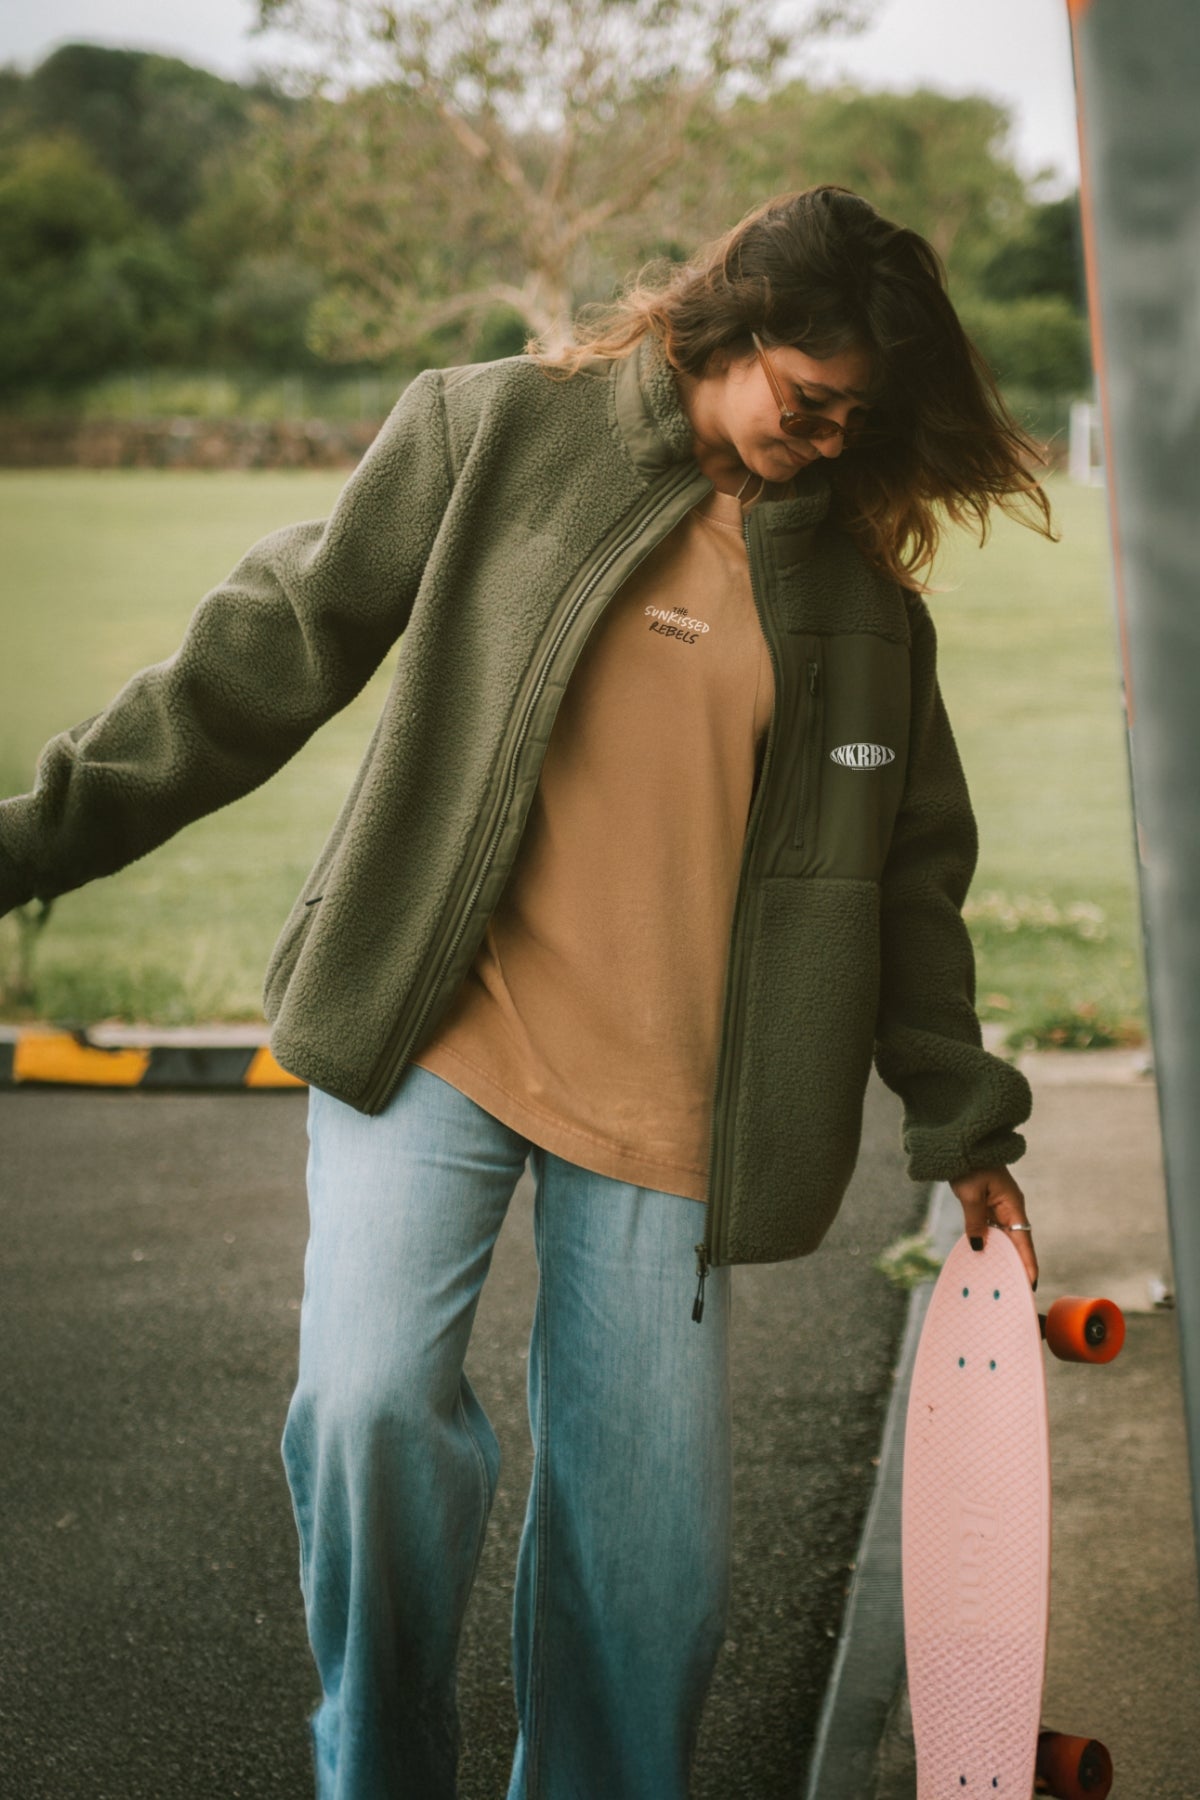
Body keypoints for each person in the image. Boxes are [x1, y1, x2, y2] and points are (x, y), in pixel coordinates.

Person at [0, 186, 1048, 1798]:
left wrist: (965, 1119)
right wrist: (32, 838)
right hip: (443, 1033)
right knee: (363, 1412)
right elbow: (254, 659)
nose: (832, 442)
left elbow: (908, 878)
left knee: (654, 1576)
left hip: (675, 1101)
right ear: (725, 329)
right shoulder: (487, 434)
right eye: (809, 402)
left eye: (859, 420)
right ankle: (381, 1767)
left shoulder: (855, 602)